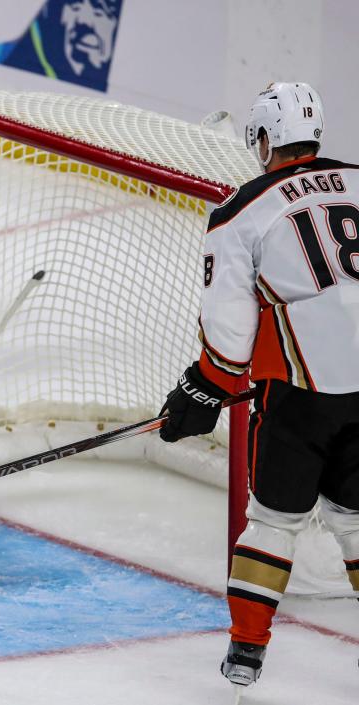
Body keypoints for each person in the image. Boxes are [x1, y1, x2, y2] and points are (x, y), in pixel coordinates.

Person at [159, 83, 359, 689]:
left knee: (274, 521)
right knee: (355, 519)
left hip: (302, 392)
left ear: (263, 140)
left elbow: (229, 325)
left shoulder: (240, 211)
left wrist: (203, 389)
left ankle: (247, 650)